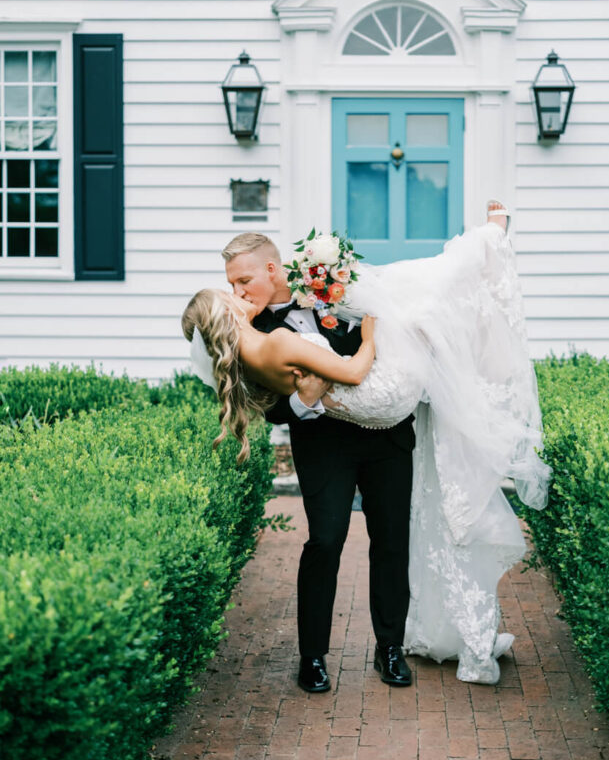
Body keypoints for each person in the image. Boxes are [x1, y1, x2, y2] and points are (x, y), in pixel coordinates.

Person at [182, 203, 551, 687]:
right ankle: (312, 657)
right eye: (230, 286)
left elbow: (393, 326)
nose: (237, 292)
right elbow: (266, 407)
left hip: (387, 437)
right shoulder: (249, 335)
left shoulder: (333, 284)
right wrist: (303, 403)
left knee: (392, 542)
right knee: (324, 543)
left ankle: (390, 649)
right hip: (322, 444)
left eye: (243, 281)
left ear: (272, 269)